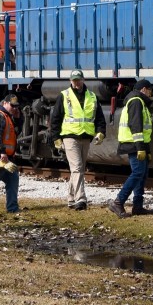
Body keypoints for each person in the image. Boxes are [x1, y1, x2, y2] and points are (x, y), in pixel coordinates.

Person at [48, 69, 106, 210]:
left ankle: (71, 199)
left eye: (78, 80)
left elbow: (99, 118)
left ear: (83, 80)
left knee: (78, 169)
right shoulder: (64, 95)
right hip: (70, 137)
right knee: (77, 168)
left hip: (86, 137)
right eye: (74, 80)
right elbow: (55, 119)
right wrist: (56, 138)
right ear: (70, 81)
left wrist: (101, 133)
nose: (76, 83)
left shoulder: (92, 96)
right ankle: (81, 199)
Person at [109, 79, 153, 218]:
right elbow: (135, 126)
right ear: (143, 89)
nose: (151, 93)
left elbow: (144, 130)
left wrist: (146, 150)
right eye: (149, 90)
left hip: (136, 144)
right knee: (138, 173)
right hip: (133, 144)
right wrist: (141, 148)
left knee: (142, 173)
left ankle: (138, 206)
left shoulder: (138, 102)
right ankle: (118, 202)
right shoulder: (136, 102)